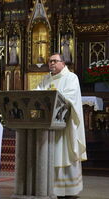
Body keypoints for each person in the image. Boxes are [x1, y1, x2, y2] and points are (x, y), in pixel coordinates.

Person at [36, 53, 87, 197]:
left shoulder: (71, 77)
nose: (51, 64)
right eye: (49, 61)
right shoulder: (46, 78)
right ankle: (50, 188)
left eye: (54, 61)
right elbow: (38, 92)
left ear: (63, 63)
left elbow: (70, 97)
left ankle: (70, 190)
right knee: (52, 154)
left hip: (65, 123)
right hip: (48, 123)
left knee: (65, 152)